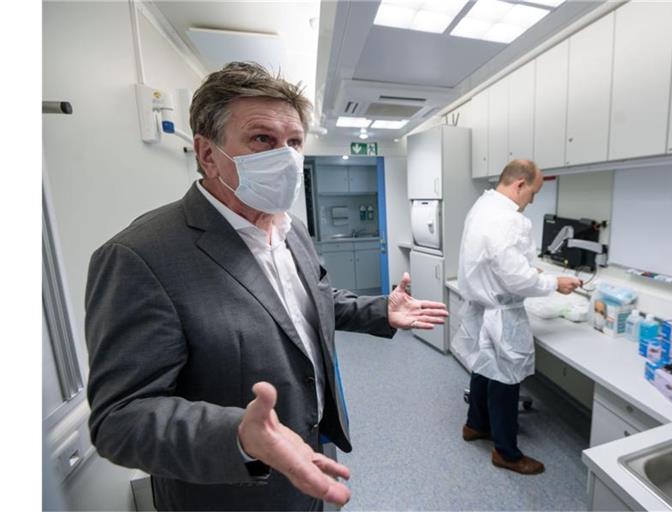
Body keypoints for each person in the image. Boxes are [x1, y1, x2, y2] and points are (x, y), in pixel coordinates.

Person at [84, 62, 448, 511]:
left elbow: (304, 304)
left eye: (294, 142)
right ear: (208, 153)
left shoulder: (291, 229)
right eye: (262, 139)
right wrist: (239, 436)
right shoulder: (141, 256)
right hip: (231, 494)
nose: (287, 157)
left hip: (312, 458)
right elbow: (120, 419)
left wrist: (379, 310)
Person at [452, 159, 581, 475]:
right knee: (506, 379)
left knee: (484, 366)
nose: (532, 200)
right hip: (500, 311)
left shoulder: (483, 206)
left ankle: (475, 424)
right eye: (533, 192)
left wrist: (528, 272)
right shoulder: (508, 219)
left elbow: (498, 262)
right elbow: (516, 278)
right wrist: (554, 283)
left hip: (483, 305)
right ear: (520, 184)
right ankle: (506, 452)